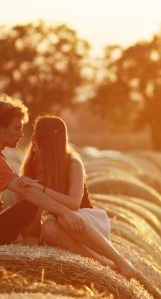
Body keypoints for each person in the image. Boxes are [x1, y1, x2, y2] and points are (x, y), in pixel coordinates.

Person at [0, 95, 86, 255]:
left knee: (29, 199)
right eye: (16, 128)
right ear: (0, 128)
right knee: (31, 202)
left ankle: (31, 242)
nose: (21, 134)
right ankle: (37, 245)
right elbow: (28, 192)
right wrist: (66, 213)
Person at [19, 114, 137, 279]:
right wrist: (30, 237)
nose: (31, 137)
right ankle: (101, 262)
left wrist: (40, 187)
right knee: (48, 228)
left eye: (36, 133)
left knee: (64, 217)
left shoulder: (73, 163)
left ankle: (119, 259)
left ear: (47, 139)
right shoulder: (34, 163)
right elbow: (34, 205)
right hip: (64, 229)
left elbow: (73, 204)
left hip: (87, 224)